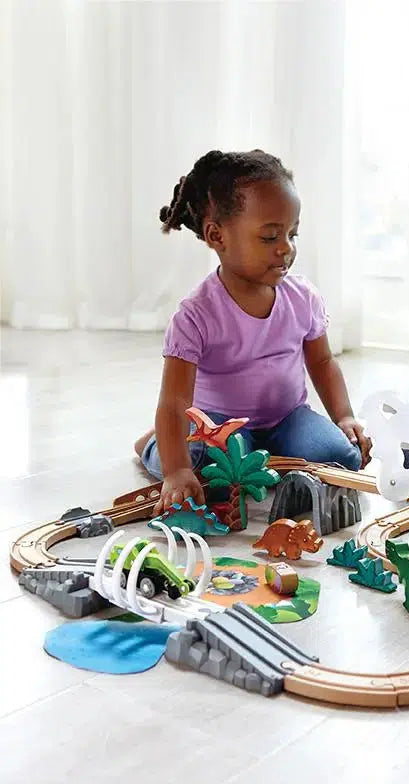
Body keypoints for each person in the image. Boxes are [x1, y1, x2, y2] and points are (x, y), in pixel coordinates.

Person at [135, 149, 370, 514]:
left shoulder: (303, 297)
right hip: (219, 426)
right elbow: (174, 403)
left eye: (292, 234)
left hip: (287, 418)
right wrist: (177, 470)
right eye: (269, 236)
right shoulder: (195, 315)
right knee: (207, 473)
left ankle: (268, 455)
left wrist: (344, 416)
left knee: (342, 458)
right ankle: (154, 446)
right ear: (217, 236)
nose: (286, 248)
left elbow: (322, 361)